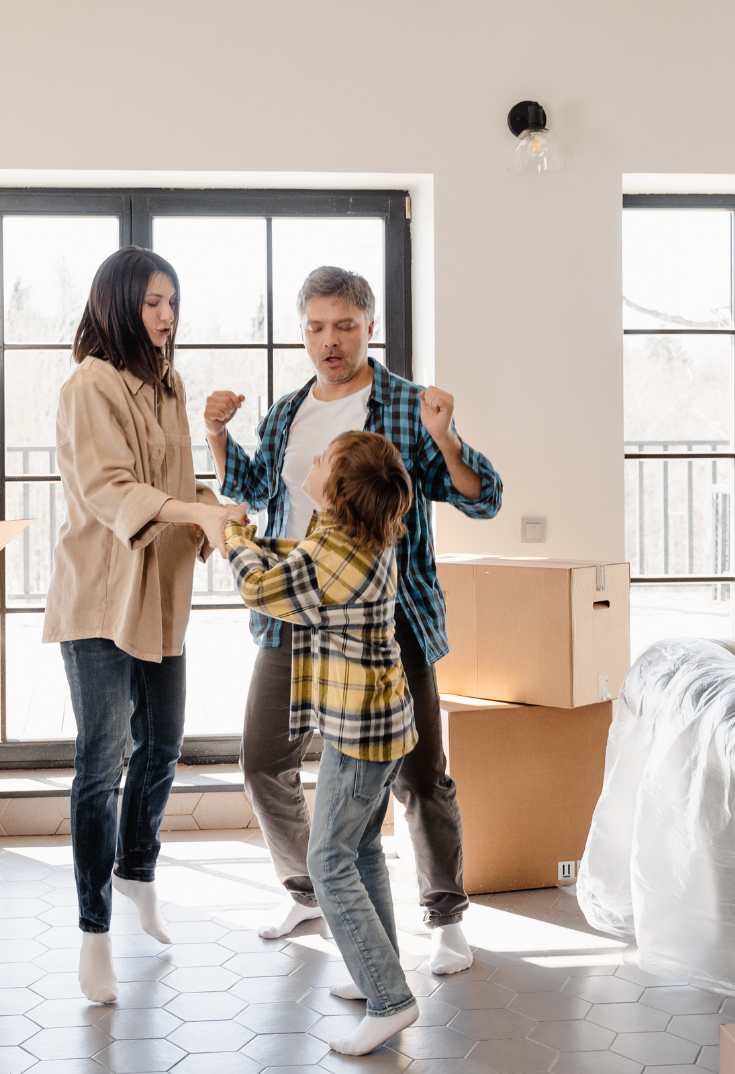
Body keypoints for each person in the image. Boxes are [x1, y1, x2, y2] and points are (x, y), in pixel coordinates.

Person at [205, 266, 503, 975]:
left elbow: (482, 497)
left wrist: (447, 439)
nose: (329, 341)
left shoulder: (407, 406)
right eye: (315, 327)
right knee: (262, 760)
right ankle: (311, 888)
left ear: (370, 326)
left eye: (344, 325)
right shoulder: (285, 412)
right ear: (302, 331)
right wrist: (216, 432)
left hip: (388, 621)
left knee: (421, 773)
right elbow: (251, 488)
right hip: (300, 616)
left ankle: (444, 913)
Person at [45, 246, 246, 1004]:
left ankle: (136, 873)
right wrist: (193, 510)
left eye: (174, 303)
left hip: (159, 596)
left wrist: (212, 503)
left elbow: (166, 485)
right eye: (155, 302)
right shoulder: (88, 385)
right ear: (119, 303)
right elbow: (109, 489)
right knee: (102, 762)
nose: (168, 316)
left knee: (162, 745)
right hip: (101, 599)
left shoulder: (169, 385)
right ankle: (93, 931)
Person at [222, 430, 421, 1054]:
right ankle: (376, 979)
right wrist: (253, 538)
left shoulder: (335, 558)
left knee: (326, 862)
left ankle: (391, 1000)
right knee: (360, 850)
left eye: (321, 462)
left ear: (335, 493)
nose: (309, 463)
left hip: (361, 735)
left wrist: (230, 540)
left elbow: (264, 589)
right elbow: (299, 554)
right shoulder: (354, 536)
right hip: (376, 724)